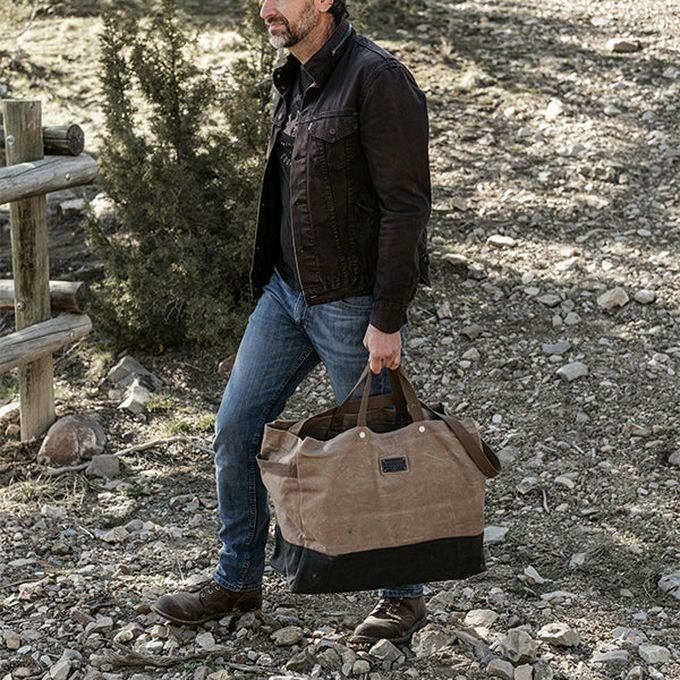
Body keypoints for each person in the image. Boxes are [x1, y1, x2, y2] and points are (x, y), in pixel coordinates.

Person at [152, 0, 431, 645]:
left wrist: (387, 317)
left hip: (351, 303)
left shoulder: (378, 78)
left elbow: (406, 206)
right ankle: (237, 581)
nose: (266, 8)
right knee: (236, 428)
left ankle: (404, 599)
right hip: (285, 296)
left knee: (380, 446)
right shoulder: (295, 75)